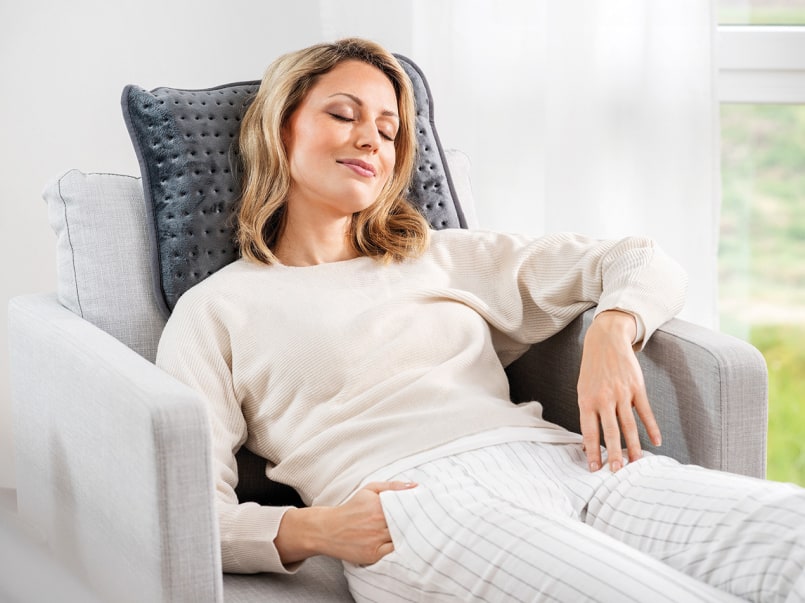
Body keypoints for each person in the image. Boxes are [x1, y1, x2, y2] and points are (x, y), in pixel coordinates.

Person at [156, 38, 805, 602]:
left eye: (387, 131)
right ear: (280, 127)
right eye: (343, 114)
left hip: (570, 464)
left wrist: (613, 328)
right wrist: (314, 529)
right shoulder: (218, 307)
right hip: (420, 505)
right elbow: (186, 511)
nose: (369, 139)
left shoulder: (441, 256)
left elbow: (637, 259)